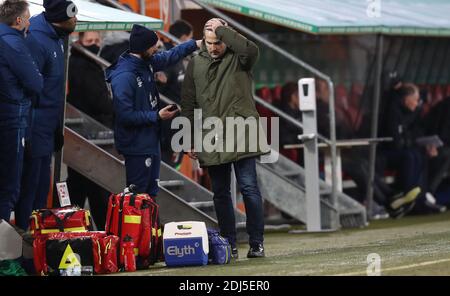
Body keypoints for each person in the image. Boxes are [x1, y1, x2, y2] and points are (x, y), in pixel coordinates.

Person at [181, 18, 268, 258]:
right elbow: (187, 103)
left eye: (218, 41)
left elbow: (252, 50)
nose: (213, 47)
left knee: (249, 188)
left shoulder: (240, 57)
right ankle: (228, 243)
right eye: (209, 42)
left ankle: (256, 242)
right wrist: (188, 138)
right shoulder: (195, 62)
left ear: (227, 37)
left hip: (241, 131)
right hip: (211, 135)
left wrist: (221, 29)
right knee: (220, 193)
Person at [105, 24, 200, 198]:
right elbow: (125, 115)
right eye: (153, 46)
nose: (157, 49)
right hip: (136, 145)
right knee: (138, 196)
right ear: (143, 48)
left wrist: (196, 44)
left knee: (150, 195)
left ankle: (149, 226)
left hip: (150, 140)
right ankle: (137, 226)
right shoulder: (125, 76)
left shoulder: (145, 61)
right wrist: (156, 115)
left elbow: (171, 55)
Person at [15, 0, 78, 230]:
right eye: (72, 16)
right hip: (34, 125)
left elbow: (53, 89)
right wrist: (30, 132)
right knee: (30, 189)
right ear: (59, 18)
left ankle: (39, 244)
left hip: (47, 125)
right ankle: (26, 247)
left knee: (42, 190)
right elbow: (29, 88)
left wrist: (55, 128)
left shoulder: (55, 37)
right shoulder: (36, 39)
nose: (76, 20)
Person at [0, 0, 43, 223]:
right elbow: (35, 82)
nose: (29, 23)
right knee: (9, 186)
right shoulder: (13, 44)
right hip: (12, 119)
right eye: (27, 18)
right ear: (18, 21)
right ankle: (3, 251)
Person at [66, 31, 113, 229]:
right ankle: (99, 231)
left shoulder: (77, 63)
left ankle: (77, 229)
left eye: (96, 40)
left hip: (84, 131)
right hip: (90, 132)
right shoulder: (86, 66)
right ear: (79, 42)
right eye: (89, 41)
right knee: (94, 189)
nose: (94, 45)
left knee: (80, 186)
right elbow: (100, 101)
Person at [157, 20, 195, 168]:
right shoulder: (168, 56)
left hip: (179, 118)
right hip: (169, 121)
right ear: (184, 38)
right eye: (191, 38)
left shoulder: (178, 56)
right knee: (169, 161)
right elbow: (162, 78)